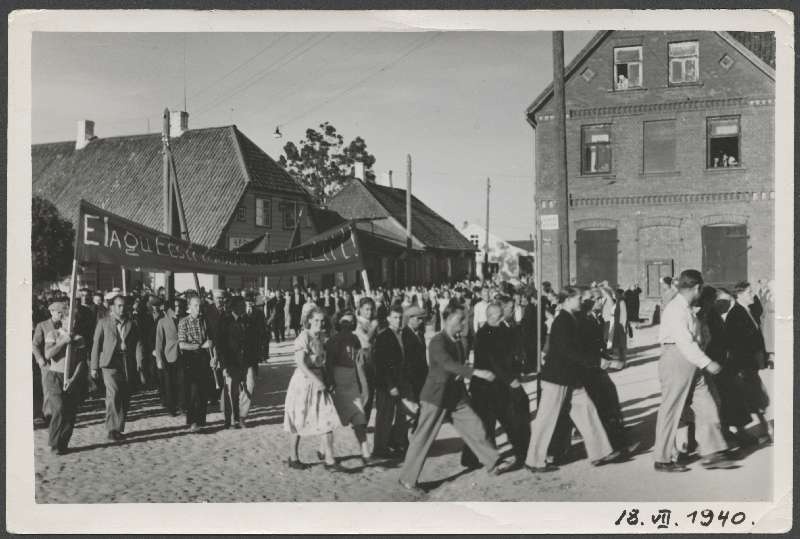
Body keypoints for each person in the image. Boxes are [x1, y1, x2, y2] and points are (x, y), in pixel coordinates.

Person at [398, 303, 511, 493]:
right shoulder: (437, 341)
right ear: (449, 320)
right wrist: (476, 372)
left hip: (455, 396)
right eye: (461, 319)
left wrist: (464, 373)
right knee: (423, 438)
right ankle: (407, 479)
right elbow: (447, 364)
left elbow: (456, 365)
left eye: (465, 319)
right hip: (436, 397)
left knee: (475, 426)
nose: (464, 323)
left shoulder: (458, 341)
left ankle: (493, 463)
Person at [524, 287, 620, 472]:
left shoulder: (570, 319)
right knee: (546, 419)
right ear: (567, 300)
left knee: (587, 410)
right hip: (557, 378)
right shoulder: (562, 321)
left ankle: (600, 452)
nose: (581, 302)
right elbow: (568, 351)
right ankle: (534, 461)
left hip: (569, 377)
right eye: (577, 299)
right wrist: (595, 361)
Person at [652, 270, 734, 472]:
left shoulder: (686, 308)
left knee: (707, 405)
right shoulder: (676, 309)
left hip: (693, 360)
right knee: (672, 409)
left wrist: (702, 361)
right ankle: (662, 459)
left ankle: (712, 451)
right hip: (678, 358)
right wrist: (707, 363)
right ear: (697, 287)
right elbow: (684, 342)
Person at [462, 302, 530, 469]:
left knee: (499, 422)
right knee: (489, 423)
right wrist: (510, 379)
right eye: (499, 316)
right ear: (490, 316)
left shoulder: (500, 330)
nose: (502, 318)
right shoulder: (484, 334)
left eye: (502, 315)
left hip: (496, 385)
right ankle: (472, 458)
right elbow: (496, 362)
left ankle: (521, 453)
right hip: (486, 387)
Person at [283, 308, 341, 470]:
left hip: (319, 382)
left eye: (322, 321)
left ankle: (329, 458)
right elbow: (300, 363)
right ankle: (293, 457)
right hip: (303, 383)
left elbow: (322, 364)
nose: (320, 324)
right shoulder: (304, 337)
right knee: (299, 420)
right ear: (309, 321)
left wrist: (328, 380)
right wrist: (316, 381)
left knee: (327, 417)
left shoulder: (321, 338)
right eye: (316, 320)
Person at [34, 299, 85, 454]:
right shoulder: (53, 334)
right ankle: (54, 442)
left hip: (71, 377)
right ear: (62, 319)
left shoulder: (79, 339)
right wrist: (63, 342)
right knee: (59, 409)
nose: (72, 322)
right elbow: (49, 354)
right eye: (69, 319)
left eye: (74, 319)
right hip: (54, 376)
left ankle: (63, 443)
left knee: (70, 411)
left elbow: (81, 362)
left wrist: (73, 379)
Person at [90, 295, 144, 441]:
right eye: (118, 306)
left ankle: (118, 428)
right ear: (112, 307)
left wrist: (139, 362)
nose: (122, 309)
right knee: (113, 394)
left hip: (126, 362)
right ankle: (111, 429)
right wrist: (94, 367)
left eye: (124, 306)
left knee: (125, 396)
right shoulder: (103, 323)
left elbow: (138, 343)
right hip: (109, 363)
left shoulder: (132, 323)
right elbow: (96, 345)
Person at [724, 281, 772, 443]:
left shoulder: (748, 310)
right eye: (749, 292)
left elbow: (757, 338)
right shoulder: (735, 314)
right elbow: (736, 344)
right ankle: (752, 433)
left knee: (756, 397)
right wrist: (744, 367)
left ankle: (763, 431)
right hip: (743, 365)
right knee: (751, 398)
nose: (753, 295)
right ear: (739, 295)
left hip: (751, 364)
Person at [326, 312, 371, 463]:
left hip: (351, 381)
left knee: (359, 416)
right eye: (344, 322)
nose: (347, 325)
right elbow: (329, 363)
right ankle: (325, 451)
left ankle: (365, 452)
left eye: (350, 322)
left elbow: (359, 365)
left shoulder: (355, 339)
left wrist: (363, 385)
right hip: (338, 381)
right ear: (338, 323)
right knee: (332, 419)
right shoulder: (333, 340)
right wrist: (330, 382)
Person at [373, 305, 410, 458]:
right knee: (385, 416)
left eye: (400, 317)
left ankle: (397, 442)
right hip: (387, 384)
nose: (398, 320)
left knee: (403, 414)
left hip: (402, 380)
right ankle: (380, 448)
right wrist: (390, 385)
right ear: (388, 319)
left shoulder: (404, 334)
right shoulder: (383, 336)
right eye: (395, 317)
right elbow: (381, 364)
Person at [178, 295, 215, 432]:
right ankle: (193, 421)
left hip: (204, 359)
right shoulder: (184, 322)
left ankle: (201, 421)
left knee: (203, 392)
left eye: (200, 305)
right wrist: (200, 346)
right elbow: (182, 344)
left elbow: (210, 341)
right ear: (189, 307)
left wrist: (211, 350)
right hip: (190, 359)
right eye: (195, 305)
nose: (198, 308)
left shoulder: (204, 321)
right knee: (193, 393)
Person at [216, 296, 251, 429]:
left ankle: (238, 418)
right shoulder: (225, 321)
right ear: (234, 307)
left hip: (242, 361)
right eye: (241, 305)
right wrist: (223, 366)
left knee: (239, 391)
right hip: (230, 361)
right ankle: (230, 421)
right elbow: (221, 346)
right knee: (230, 391)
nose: (244, 307)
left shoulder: (245, 320)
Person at [155, 297, 185, 416]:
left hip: (183, 354)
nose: (178, 309)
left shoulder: (185, 319)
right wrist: (159, 358)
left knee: (182, 381)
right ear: (170, 308)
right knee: (169, 383)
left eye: (180, 307)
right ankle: (171, 407)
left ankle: (183, 406)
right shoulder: (162, 321)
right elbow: (159, 342)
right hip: (169, 355)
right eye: (175, 307)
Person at [354, 297, 379, 423]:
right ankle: (360, 422)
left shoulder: (373, 322)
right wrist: (374, 327)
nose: (369, 312)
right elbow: (366, 339)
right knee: (365, 391)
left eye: (371, 309)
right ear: (360, 310)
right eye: (366, 309)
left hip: (373, 357)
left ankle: (364, 421)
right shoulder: (357, 322)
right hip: (362, 358)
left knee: (372, 390)